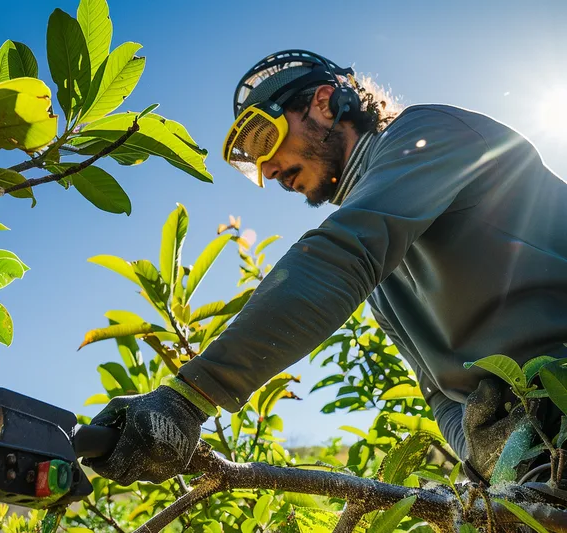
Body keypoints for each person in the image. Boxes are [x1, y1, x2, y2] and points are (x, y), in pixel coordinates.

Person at [85, 49, 567, 494]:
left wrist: (190, 395)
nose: (268, 171)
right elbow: (441, 394)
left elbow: (343, 252)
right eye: (253, 165)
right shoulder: (383, 286)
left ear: (323, 103)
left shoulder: (431, 134)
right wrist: (498, 468)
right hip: (548, 447)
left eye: (264, 138)